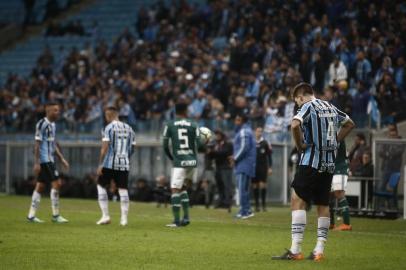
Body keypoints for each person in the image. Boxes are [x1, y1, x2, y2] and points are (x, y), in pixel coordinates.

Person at [273, 82, 354, 261]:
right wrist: (335, 142)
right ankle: (319, 251)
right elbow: (349, 123)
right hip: (328, 165)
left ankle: (295, 250)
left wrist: (300, 144)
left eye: (297, 102)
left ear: (302, 96)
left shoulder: (308, 106)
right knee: (323, 205)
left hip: (311, 162)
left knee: (297, 200)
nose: (298, 105)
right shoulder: (331, 106)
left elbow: (294, 125)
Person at [27, 102, 70, 223]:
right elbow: (37, 144)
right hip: (45, 160)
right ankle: (56, 216)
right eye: (55, 110)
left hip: (50, 159)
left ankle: (31, 215)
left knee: (40, 186)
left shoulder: (53, 125)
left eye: (58, 110)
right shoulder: (42, 124)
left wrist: (61, 158)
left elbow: (53, 144)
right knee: (57, 184)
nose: (58, 112)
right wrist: (36, 162)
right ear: (48, 111)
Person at [163, 102, 202, 227]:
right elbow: (200, 145)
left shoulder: (169, 125)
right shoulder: (194, 125)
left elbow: (164, 145)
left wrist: (171, 157)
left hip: (179, 162)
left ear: (175, 112)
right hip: (192, 162)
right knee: (183, 188)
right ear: (186, 111)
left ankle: (176, 221)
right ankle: (186, 218)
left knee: (175, 189)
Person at [96, 106, 136, 226]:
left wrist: (100, 164)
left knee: (101, 186)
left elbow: (104, 148)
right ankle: (124, 219)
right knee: (123, 190)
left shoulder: (108, 128)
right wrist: (125, 158)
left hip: (109, 163)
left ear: (108, 115)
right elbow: (132, 148)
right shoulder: (130, 129)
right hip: (124, 163)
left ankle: (105, 216)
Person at [229, 113, 256, 219]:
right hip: (246, 163)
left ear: (242, 121)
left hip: (244, 164)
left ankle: (244, 211)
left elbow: (245, 147)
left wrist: (235, 158)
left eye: (238, 120)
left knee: (241, 189)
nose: (235, 122)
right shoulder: (246, 131)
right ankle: (247, 210)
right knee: (244, 189)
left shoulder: (244, 131)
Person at [208, 130, 233, 211]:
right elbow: (212, 156)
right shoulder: (215, 145)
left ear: (222, 136)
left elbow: (224, 153)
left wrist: (213, 151)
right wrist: (209, 153)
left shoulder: (227, 144)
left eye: (218, 135)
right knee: (219, 186)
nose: (217, 137)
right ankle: (221, 202)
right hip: (218, 167)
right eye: (216, 135)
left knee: (226, 185)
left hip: (226, 167)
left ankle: (227, 203)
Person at [329, 141, 352, 231]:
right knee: (328, 195)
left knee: (339, 193)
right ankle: (331, 223)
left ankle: (346, 224)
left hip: (340, 167)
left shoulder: (338, 134)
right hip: (331, 168)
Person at [252, 127, 272, 212]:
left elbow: (269, 156)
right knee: (255, 185)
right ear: (255, 132)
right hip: (253, 167)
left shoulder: (265, 143)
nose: (259, 133)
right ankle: (257, 206)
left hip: (263, 167)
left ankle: (263, 205)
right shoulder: (252, 143)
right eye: (257, 131)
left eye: (260, 131)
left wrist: (270, 167)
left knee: (262, 185)